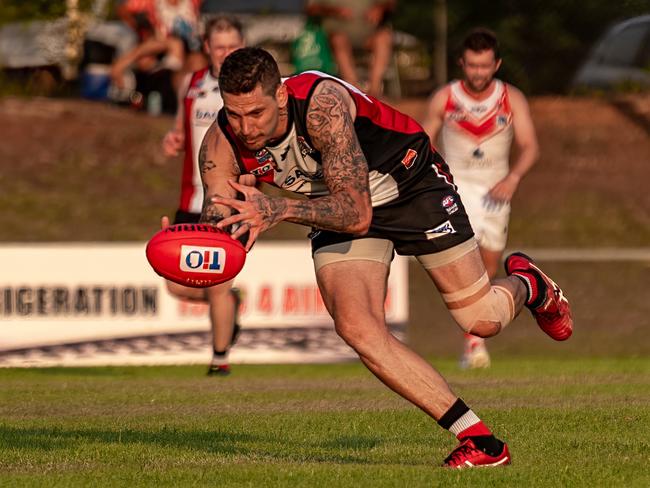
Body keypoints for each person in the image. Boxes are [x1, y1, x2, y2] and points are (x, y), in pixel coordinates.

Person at [197, 47, 573, 467]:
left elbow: (357, 213)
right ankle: (481, 441)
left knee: (481, 320)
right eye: (234, 114)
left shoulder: (322, 106)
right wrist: (193, 240)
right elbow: (219, 219)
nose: (246, 128)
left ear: (281, 96)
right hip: (331, 202)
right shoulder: (219, 144)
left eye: (256, 113)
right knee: (357, 327)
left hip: (408, 185)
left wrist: (280, 209)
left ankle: (530, 284)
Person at [421, 28, 540, 369]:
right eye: (472, 65)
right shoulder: (445, 97)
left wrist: (513, 178)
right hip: (455, 190)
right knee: (467, 266)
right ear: (462, 63)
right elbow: (422, 142)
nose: (478, 72)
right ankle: (474, 345)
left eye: (485, 66)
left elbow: (531, 146)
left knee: (489, 267)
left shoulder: (510, 98)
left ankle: (474, 339)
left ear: (496, 64)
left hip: (496, 192)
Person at [161, 15, 245, 376]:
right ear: (208, 48)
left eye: (233, 46)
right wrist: (174, 139)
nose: (226, 53)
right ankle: (231, 305)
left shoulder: (251, 90)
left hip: (227, 202)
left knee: (217, 284)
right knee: (174, 284)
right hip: (190, 199)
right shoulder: (192, 84)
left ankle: (219, 359)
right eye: (220, 46)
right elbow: (180, 131)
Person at [112, 0, 205, 95]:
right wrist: (138, 28)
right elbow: (123, 9)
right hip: (161, 49)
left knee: (197, 61)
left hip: (190, 53)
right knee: (171, 45)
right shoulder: (151, 2)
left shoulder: (193, 2)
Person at [305, 0, 395, 97]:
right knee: (339, 40)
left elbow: (390, 3)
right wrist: (334, 11)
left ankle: (375, 88)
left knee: (384, 37)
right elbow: (311, 9)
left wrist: (380, 8)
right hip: (336, 35)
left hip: (369, 36)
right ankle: (354, 89)